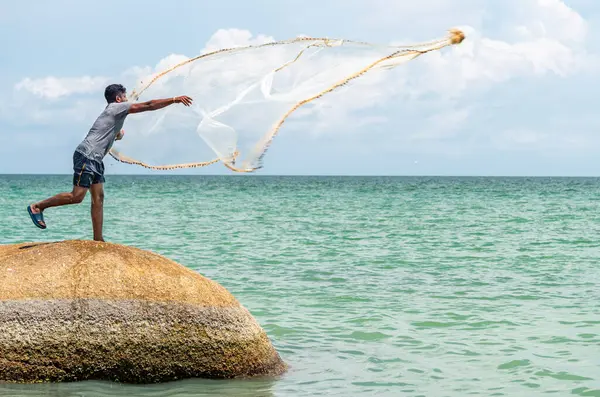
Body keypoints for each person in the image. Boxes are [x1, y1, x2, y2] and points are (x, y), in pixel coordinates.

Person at [27, 84, 193, 242]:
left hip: (96, 159)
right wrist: (174, 99)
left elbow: (108, 131)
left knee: (98, 198)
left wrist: (117, 133)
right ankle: (38, 206)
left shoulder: (114, 112)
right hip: (87, 155)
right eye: (125, 96)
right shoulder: (115, 107)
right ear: (118, 99)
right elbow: (149, 105)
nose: (127, 99)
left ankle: (98, 239)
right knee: (77, 197)